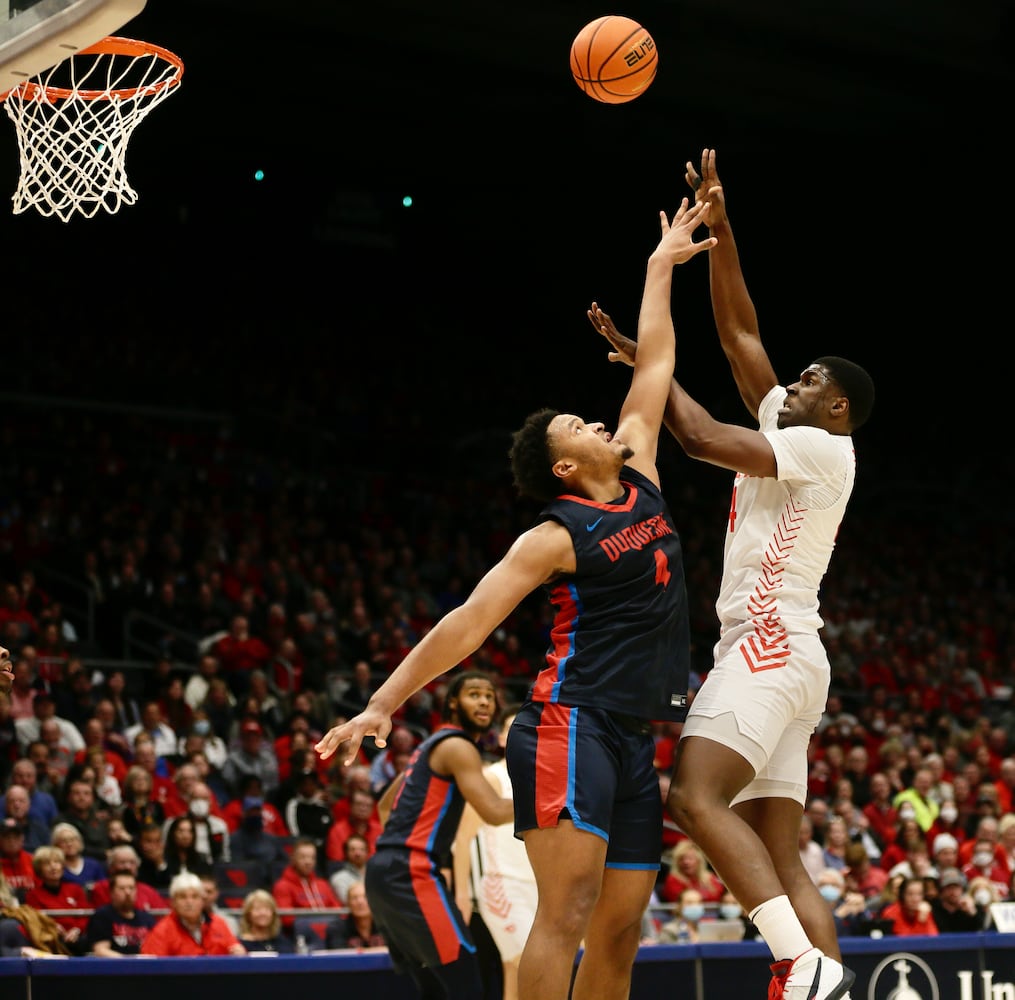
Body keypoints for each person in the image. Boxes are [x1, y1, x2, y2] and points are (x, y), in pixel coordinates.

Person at [317, 198, 711, 1000]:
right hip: (569, 723)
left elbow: (656, 365)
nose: (597, 419)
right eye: (575, 423)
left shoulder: (639, 470)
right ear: (561, 466)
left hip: (633, 731)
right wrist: (379, 706)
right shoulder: (553, 535)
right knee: (563, 914)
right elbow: (466, 623)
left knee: (621, 927)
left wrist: (658, 265)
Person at [593, 147, 874, 1000]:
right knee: (780, 853)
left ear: (836, 408)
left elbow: (701, 439)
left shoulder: (821, 446)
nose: (793, 379)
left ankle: (800, 967)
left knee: (693, 794)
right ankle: (821, 981)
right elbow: (739, 334)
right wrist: (721, 227)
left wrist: (650, 365)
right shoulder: (793, 429)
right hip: (792, 658)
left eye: (811, 379)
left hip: (766, 646)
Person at [351, 671, 513, 999]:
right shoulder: (457, 746)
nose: (484, 700)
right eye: (474, 694)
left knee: (434, 989)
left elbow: (385, 806)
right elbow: (494, 811)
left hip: (383, 871)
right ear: (453, 703)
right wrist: (554, 801)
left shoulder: (428, 746)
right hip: (411, 872)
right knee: (466, 981)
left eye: (489, 695)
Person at [452, 703, 536, 1000]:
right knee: (525, 962)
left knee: (519, 968)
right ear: (501, 738)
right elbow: (462, 838)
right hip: (504, 884)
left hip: (543, 886)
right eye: (511, 730)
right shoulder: (493, 777)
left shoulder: (551, 779)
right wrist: (461, 894)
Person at [141, 871, 246, 956]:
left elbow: (235, 949)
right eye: (182, 897)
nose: (189, 902)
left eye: (195, 896)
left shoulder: (219, 924)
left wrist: (240, 952)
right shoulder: (162, 931)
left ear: (202, 900)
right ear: (173, 902)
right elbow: (151, 968)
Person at [25, 844, 90, 952]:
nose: (53, 867)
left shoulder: (75, 889)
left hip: (78, 936)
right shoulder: (33, 895)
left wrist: (76, 930)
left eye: (57, 862)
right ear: (39, 869)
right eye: (47, 863)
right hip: (51, 938)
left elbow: (85, 916)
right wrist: (53, 928)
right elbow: (37, 921)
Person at [271, 836, 341, 932]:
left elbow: (339, 912)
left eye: (312, 858)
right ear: (293, 858)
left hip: (330, 933)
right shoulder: (282, 886)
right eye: (303, 857)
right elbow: (286, 919)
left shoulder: (323, 884)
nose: (308, 862)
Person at [84, 869, 158, 956]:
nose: (128, 892)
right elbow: (101, 951)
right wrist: (129, 963)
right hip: (114, 967)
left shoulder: (147, 918)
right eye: (122, 888)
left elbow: (156, 948)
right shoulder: (102, 916)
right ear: (112, 892)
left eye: (131, 888)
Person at [89, 843, 166, 911]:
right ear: (111, 866)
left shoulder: (148, 890)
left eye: (132, 863)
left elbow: (161, 915)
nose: (127, 867)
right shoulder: (101, 888)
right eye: (122, 862)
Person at [325, 879, 386, 950]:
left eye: (365, 897)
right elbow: (339, 956)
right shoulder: (337, 928)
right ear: (348, 903)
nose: (360, 902)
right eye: (354, 898)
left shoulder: (387, 927)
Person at [237, 888, 294, 953]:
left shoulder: (283, 942)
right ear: (248, 914)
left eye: (267, 909)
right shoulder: (239, 945)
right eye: (257, 909)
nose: (263, 913)